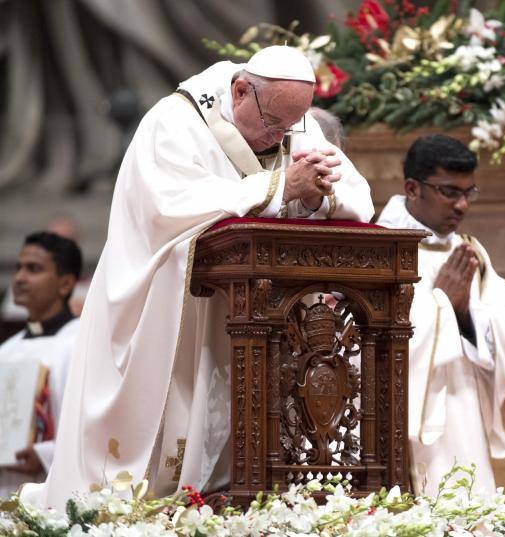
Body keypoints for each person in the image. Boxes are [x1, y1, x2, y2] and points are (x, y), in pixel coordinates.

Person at [21, 46, 374, 508]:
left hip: (254, 313)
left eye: (291, 127)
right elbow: (169, 207)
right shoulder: (173, 123)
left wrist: (314, 196)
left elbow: (355, 195)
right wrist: (281, 189)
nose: (281, 137)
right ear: (241, 91)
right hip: (172, 304)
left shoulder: (290, 118)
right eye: (273, 124)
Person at [377, 134, 505, 495]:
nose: (462, 205)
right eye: (449, 192)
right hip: (400, 416)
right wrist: (442, 303)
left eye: (469, 193)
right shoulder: (376, 246)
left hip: (464, 408)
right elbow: (368, 340)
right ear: (413, 188)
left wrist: (463, 315)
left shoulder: (470, 251)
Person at [0, 232, 82, 497]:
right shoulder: (6, 351)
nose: (20, 278)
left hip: (56, 493)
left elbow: (98, 426)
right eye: (19, 268)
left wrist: (46, 453)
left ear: (65, 283)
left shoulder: (84, 343)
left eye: (33, 269)